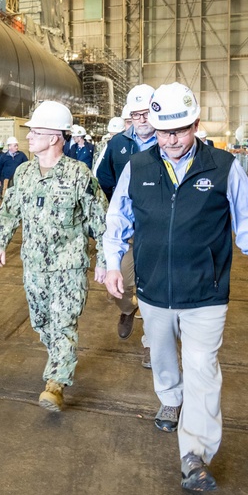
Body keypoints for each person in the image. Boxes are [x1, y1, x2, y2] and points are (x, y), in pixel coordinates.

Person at [103, 82, 248, 492]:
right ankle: (169, 395)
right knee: (162, 355)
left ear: (195, 125)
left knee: (202, 368)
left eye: (179, 131)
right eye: (164, 132)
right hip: (153, 290)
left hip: (205, 292)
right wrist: (113, 263)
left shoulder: (222, 166)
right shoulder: (139, 167)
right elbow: (118, 221)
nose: (171, 140)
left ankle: (194, 454)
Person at [0, 101, 108, 412]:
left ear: (56, 137)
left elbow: (100, 219)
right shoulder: (24, 172)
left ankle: (55, 383)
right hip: (34, 265)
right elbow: (9, 211)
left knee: (63, 322)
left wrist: (105, 262)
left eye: (36, 132)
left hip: (68, 266)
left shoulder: (79, 173)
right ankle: (58, 356)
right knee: (43, 323)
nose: (29, 137)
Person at [94, 84, 157, 358]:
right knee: (119, 284)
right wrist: (108, 221)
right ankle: (127, 309)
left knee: (156, 287)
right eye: (136, 114)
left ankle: (152, 344)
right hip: (127, 230)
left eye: (146, 113)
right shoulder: (118, 144)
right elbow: (103, 183)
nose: (141, 119)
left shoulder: (168, 141)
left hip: (157, 229)